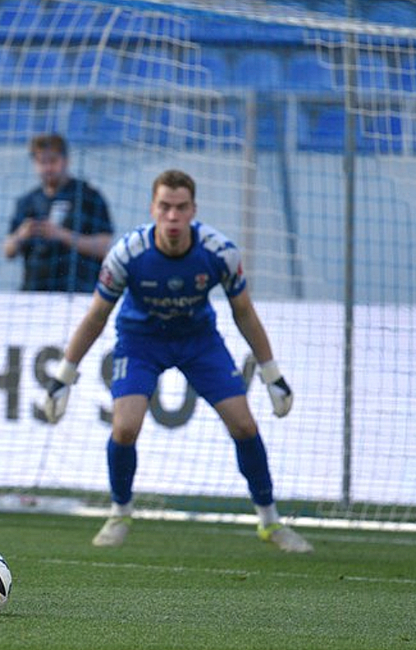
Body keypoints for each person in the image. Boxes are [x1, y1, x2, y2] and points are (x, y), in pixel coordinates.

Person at [43, 169, 313, 554]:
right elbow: (96, 316)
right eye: (165, 206)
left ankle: (270, 521)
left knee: (244, 424)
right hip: (141, 341)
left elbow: (244, 313)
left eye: (181, 207)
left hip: (198, 341)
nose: (172, 216)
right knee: (125, 428)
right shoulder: (127, 254)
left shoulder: (219, 252)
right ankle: (119, 513)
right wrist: (64, 376)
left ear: (193, 210)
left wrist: (272, 375)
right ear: (152, 208)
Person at [3, 134, 113, 292]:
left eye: (53, 161)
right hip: (34, 293)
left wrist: (62, 235)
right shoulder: (27, 201)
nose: (48, 168)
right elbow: (8, 251)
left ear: (66, 160)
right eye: (42, 162)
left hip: (79, 293)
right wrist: (22, 234)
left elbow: (105, 246)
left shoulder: (88, 196)